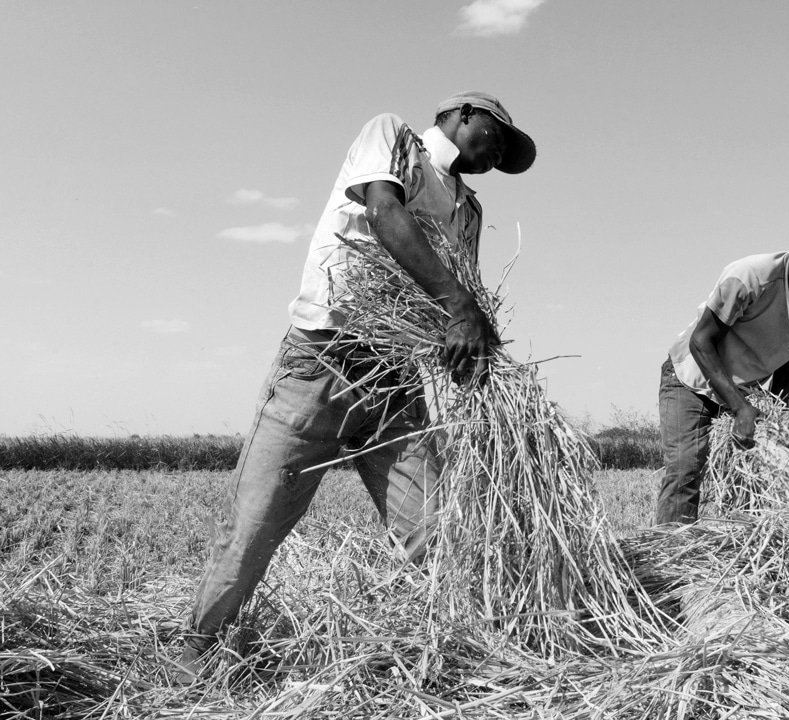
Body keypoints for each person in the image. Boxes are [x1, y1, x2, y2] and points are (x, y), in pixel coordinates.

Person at [175, 91, 536, 683]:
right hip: (321, 363)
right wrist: (457, 305)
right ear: (463, 113)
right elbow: (384, 214)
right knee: (256, 522)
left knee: (432, 527)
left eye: (506, 151)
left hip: (394, 382)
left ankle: (459, 650)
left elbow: (457, 302)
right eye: (497, 135)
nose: (498, 152)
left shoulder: (468, 210)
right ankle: (200, 645)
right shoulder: (394, 137)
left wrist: (472, 351)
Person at [654, 214, 789, 525]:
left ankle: (737, 564)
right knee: (685, 471)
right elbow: (701, 341)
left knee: (750, 481)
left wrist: (777, 427)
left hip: (743, 394)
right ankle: (668, 563)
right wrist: (741, 409)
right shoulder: (750, 276)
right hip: (691, 379)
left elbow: (787, 373)